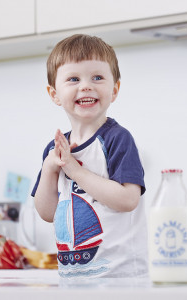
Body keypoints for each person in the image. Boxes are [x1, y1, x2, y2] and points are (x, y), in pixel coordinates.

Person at [31, 34, 148, 278]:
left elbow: (128, 200)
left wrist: (75, 171)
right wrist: (51, 168)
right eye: (73, 79)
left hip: (121, 279)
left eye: (97, 77)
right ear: (54, 94)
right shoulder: (54, 150)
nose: (86, 86)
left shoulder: (117, 139)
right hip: (72, 278)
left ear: (114, 89)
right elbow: (47, 213)